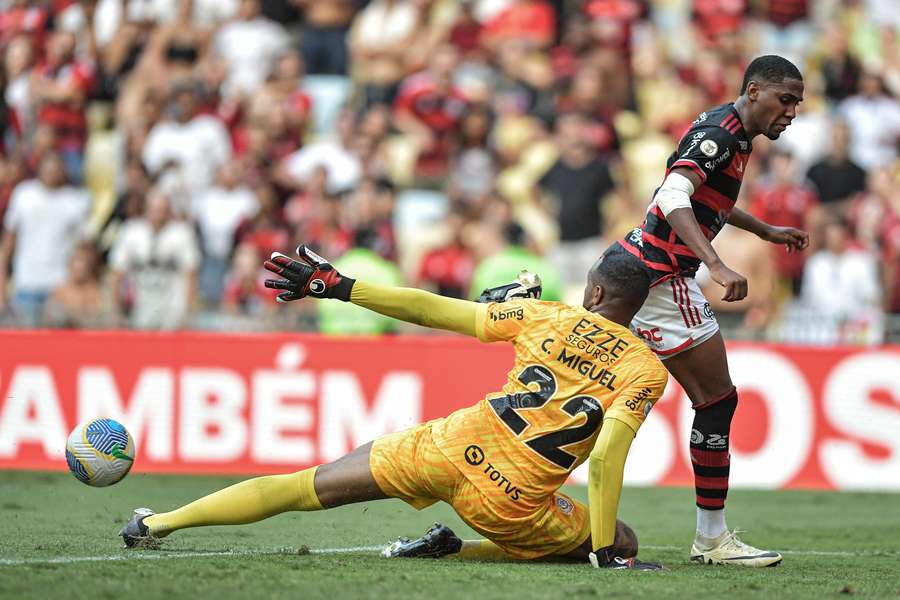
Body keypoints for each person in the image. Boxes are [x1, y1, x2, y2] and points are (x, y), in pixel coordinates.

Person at [120, 244, 669, 570]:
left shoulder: (547, 316)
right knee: (621, 538)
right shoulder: (646, 370)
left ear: (593, 295)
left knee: (308, 485)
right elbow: (603, 462)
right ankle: (456, 550)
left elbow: (429, 309)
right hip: (513, 504)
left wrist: (342, 287)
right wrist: (607, 553)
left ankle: (159, 523)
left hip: (445, 450)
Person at [604, 55, 810, 567]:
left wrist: (765, 231)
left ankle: (514, 492)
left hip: (630, 266)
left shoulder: (731, 131)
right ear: (756, 90)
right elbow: (673, 193)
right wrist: (715, 264)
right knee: (716, 400)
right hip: (659, 278)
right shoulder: (722, 132)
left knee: (582, 386)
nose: (791, 112)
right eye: (785, 100)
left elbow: (706, 199)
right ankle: (712, 540)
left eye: (798, 104)